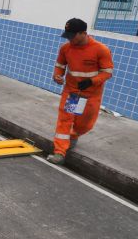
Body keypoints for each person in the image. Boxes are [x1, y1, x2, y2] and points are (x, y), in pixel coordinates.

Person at [47, 18, 114, 164]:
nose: (69, 39)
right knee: (65, 119)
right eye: (68, 36)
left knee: (85, 123)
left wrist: (92, 81)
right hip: (73, 93)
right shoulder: (66, 49)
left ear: (83, 33)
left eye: (72, 36)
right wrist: (57, 75)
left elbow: (107, 72)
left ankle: (75, 135)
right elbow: (60, 65)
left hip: (91, 95)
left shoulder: (100, 49)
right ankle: (59, 152)